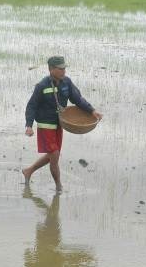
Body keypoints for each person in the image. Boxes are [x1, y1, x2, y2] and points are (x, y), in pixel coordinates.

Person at [22, 56, 102, 192]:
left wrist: (92, 110)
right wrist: (29, 125)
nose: (63, 71)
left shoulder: (67, 82)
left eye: (64, 68)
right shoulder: (42, 86)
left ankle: (28, 170)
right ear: (51, 69)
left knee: (54, 155)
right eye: (60, 69)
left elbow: (78, 99)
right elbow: (31, 106)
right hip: (45, 124)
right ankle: (59, 186)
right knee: (54, 154)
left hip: (60, 123)